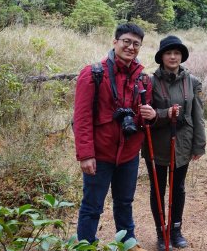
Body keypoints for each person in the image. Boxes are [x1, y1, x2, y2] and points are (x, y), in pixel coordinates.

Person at [73, 23, 153, 250]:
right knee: (92, 205)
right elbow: (82, 118)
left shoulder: (143, 79)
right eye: (126, 41)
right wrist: (86, 154)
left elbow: (145, 119)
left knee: (125, 202)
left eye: (136, 44)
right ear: (115, 42)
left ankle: (127, 243)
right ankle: (86, 246)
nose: (131, 47)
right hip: (100, 153)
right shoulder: (93, 74)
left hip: (128, 154)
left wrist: (152, 115)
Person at [140, 35, 206, 250]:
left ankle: (175, 230)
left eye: (177, 53)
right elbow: (145, 115)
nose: (173, 56)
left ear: (181, 56)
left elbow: (198, 116)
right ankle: (161, 233)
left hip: (183, 145)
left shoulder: (192, 81)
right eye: (168, 53)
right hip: (156, 144)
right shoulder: (149, 82)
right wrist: (165, 114)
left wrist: (199, 145)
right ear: (161, 57)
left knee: (178, 187)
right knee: (157, 190)